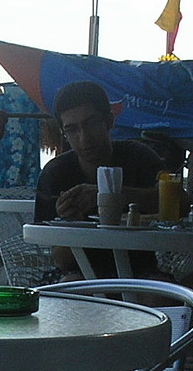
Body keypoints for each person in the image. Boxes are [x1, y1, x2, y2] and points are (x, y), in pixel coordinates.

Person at [34, 80, 162, 279]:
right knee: (71, 287)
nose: (84, 138)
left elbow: (181, 203)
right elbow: (61, 260)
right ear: (64, 133)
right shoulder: (56, 174)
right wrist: (72, 225)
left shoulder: (138, 157)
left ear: (109, 121)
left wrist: (112, 196)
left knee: (156, 294)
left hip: (141, 273)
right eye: (73, 130)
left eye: (91, 124)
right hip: (78, 274)